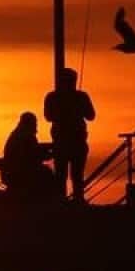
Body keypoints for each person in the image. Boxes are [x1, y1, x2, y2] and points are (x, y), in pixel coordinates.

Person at [43, 68, 96, 202]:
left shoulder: (52, 97)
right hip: (73, 142)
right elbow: (91, 116)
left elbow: (48, 117)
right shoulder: (80, 97)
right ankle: (76, 199)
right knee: (75, 174)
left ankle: (64, 200)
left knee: (64, 174)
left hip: (64, 142)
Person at [0, 112, 58, 203]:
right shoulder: (25, 136)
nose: (36, 126)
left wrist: (50, 147)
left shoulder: (18, 134)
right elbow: (33, 155)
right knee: (48, 174)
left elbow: (34, 150)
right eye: (35, 123)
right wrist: (52, 152)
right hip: (21, 173)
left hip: (14, 172)